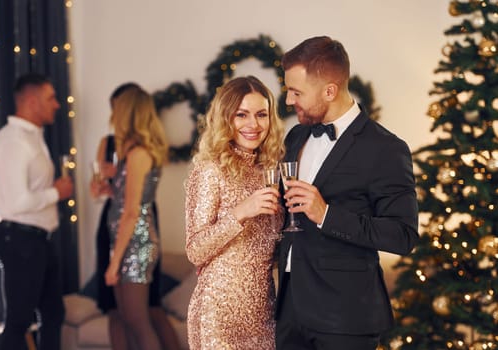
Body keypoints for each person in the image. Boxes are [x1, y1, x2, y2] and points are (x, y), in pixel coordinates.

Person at [275, 35, 420, 350]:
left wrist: (326, 214)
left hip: (345, 318)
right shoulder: (296, 136)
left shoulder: (386, 149)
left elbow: (403, 235)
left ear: (330, 90)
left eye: (296, 92)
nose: (288, 101)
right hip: (289, 310)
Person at [185, 75, 285, 349]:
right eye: (242, 114)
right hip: (218, 317)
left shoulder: (271, 171)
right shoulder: (210, 170)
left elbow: (266, 252)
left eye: (261, 114)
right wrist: (241, 212)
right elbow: (195, 250)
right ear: (226, 118)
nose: (253, 124)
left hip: (263, 314)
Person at [90, 82, 180, 350]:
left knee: (139, 323)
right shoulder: (131, 153)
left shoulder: (139, 154)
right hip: (127, 242)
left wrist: (114, 262)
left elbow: (131, 212)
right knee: (130, 322)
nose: (112, 114)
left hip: (135, 245)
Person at [0, 73, 74, 350]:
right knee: (18, 321)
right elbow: (16, 203)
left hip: (37, 240)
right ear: (32, 101)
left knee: (53, 314)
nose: (57, 104)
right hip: (20, 240)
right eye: (51, 98)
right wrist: (56, 193)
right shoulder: (13, 141)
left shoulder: (33, 137)